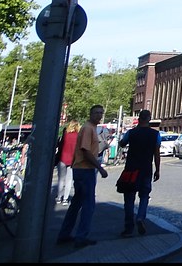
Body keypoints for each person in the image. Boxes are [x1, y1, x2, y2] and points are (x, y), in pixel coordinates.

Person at [57, 105, 109, 248]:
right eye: (96, 113)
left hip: (81, 169)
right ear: (90, 114)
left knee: (76, 204)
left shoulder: (89, 128)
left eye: (101, 113)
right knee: (88, 205)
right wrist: (100, 168)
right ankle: (81, 237)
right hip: (85, 170)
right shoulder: (87, 128)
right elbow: (85, 151)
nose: (99, 115)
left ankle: (64, 234)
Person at [116, 109, 161, 237]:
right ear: (149, 119)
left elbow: (122, 144)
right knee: (144, 195)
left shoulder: (131, 133)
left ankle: (128, 227)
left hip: (131, 169)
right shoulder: (155, 135)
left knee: (129, 198)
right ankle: (141, 217)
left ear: (139, 119)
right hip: (146, 169)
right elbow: (156, 154)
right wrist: (158, 170)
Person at [55, 120, 80, 206]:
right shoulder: (78, 136)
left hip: (62, 158)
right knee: (69, 180)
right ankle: (65, 199)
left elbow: (60, 145)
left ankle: (59, 197)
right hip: (73, 160)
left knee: (61, 179)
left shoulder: (65, 134)